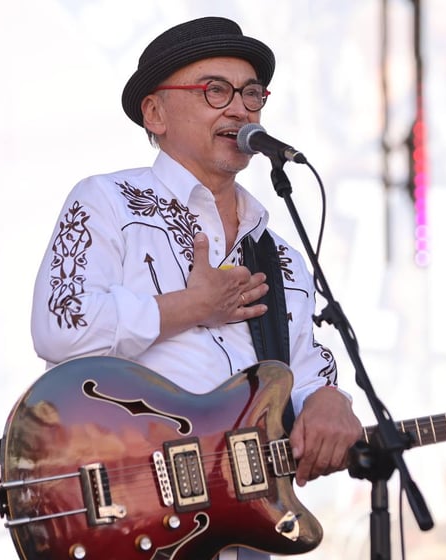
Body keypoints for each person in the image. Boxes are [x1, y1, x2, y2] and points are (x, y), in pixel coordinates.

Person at [30, 15, 363, 560]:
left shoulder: (279, 256)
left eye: (251, 93)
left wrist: (329, 399)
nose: (240, 109)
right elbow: (59, 327)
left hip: (241, 528)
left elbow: (300, 373)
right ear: (155, 113)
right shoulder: (108, 202)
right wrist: (188, 307)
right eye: (215, 90)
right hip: (124, 516)